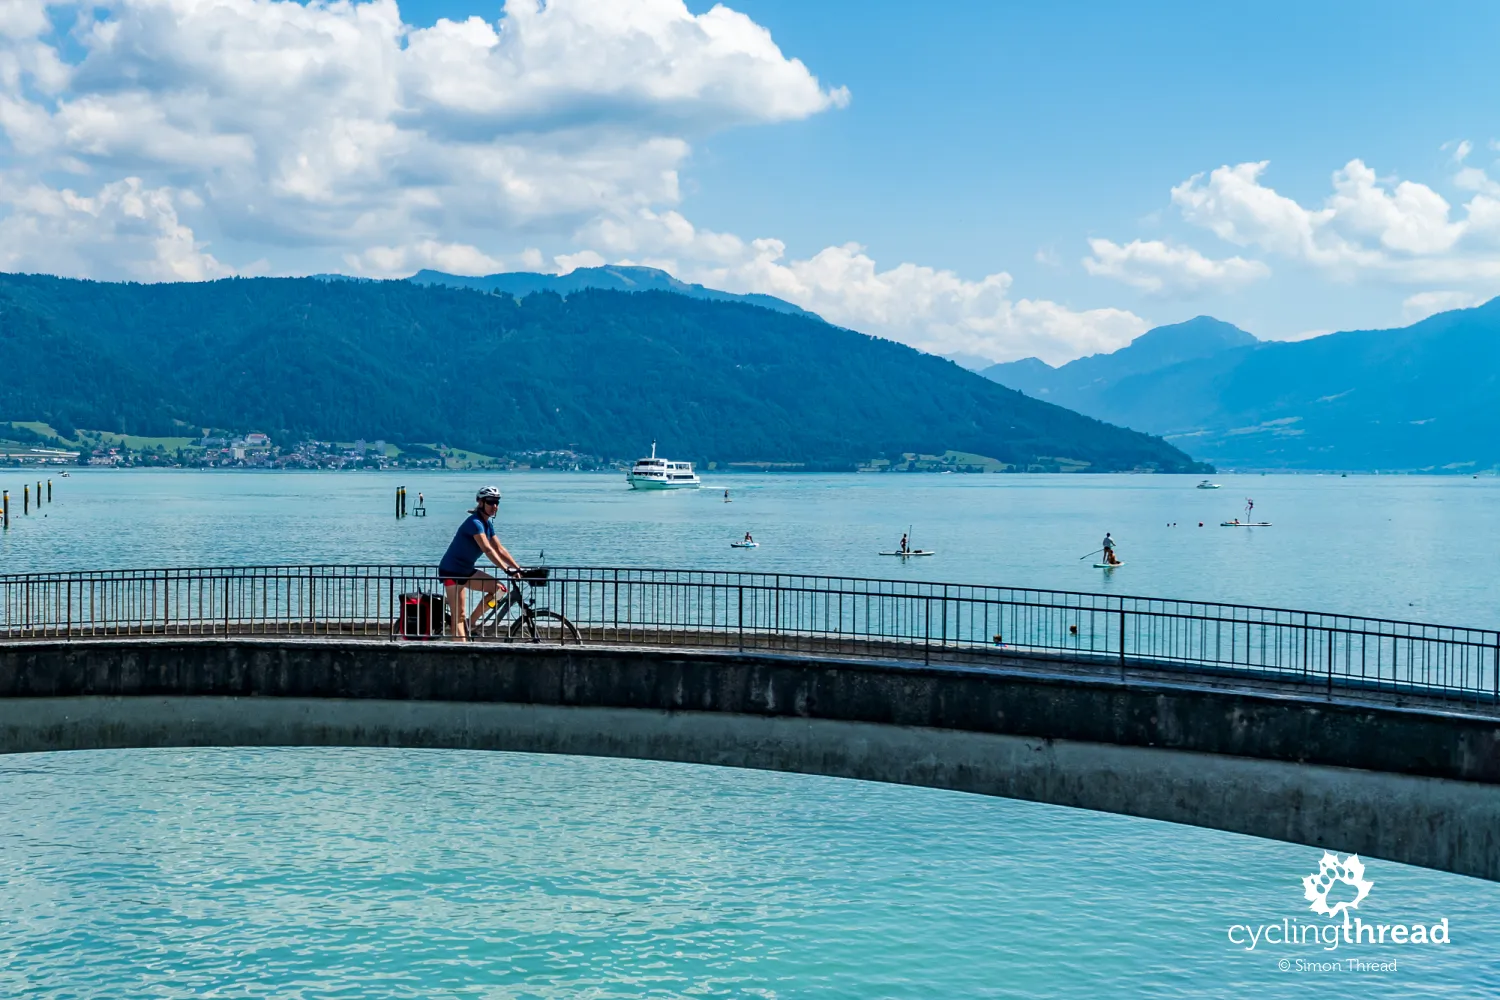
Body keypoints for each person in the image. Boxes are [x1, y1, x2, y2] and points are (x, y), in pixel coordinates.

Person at [438, 486, 522, 641]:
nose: (494, 506)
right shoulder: (475, 523)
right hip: (452, 571)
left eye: (497, 502)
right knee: (459, 616)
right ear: (481, 502)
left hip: (466, 570)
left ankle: (472, 622)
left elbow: (499, 549)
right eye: (490, 502)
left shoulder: (487, 524)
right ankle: (462, 652)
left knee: (499, 591)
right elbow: (488, 549)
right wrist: (505, 569)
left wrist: (517, 568)